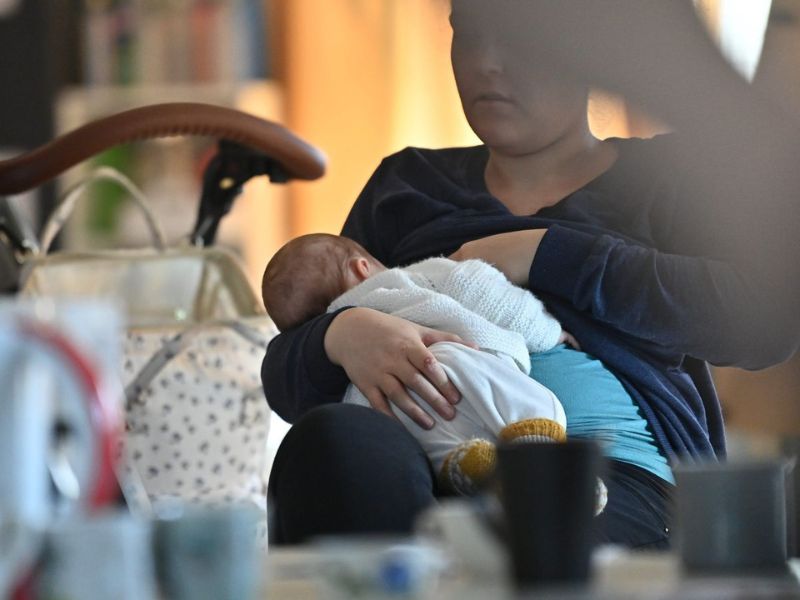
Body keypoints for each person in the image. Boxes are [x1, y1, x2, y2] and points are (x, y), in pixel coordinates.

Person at [262, 0, 800, 547]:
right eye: (469, 34)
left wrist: (546, 253)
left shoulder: (664, 180)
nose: (488, 62)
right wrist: (343, 333)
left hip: (607, 476)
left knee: (535, 539)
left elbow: (765, 324)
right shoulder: (407, 185)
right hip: (430, 462)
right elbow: (283, 375)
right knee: (328, 442)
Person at [262, 232, 579, 497]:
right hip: (457, 366)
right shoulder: (416, 278)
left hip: (395, 408)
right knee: (538, 406)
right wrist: (550, 332)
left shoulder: (347, 363)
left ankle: (469, 465)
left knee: (431, 442)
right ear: (361, 267)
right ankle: (548, 463)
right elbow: (494, 299)